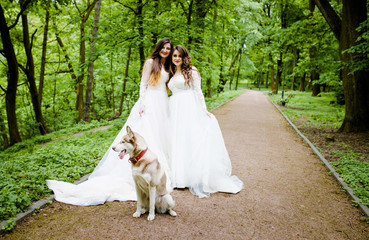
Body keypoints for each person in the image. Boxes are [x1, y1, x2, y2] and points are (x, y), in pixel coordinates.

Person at [47, 38, 173, 205]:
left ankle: (162, 172)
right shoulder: (151, 62)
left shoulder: (168, 66)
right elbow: (143, 84)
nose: (165, 51)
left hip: (163, 103)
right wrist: (143, 104)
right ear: (158, 48)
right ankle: (146, 172)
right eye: (163, 48)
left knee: (161, 135)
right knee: (148, 135)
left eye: (168, 49)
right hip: (150, 102)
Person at [168, 45, 243, 198]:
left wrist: (203, 110)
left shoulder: (192, 71)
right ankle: (176, 177)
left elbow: (198, 91)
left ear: (184, 57)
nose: (176, 58)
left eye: (179, 56)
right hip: (173, 108)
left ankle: (188, 177)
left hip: (187, 108)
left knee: (188, 140)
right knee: (175, 141)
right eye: (174, 56)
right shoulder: (171, 72)